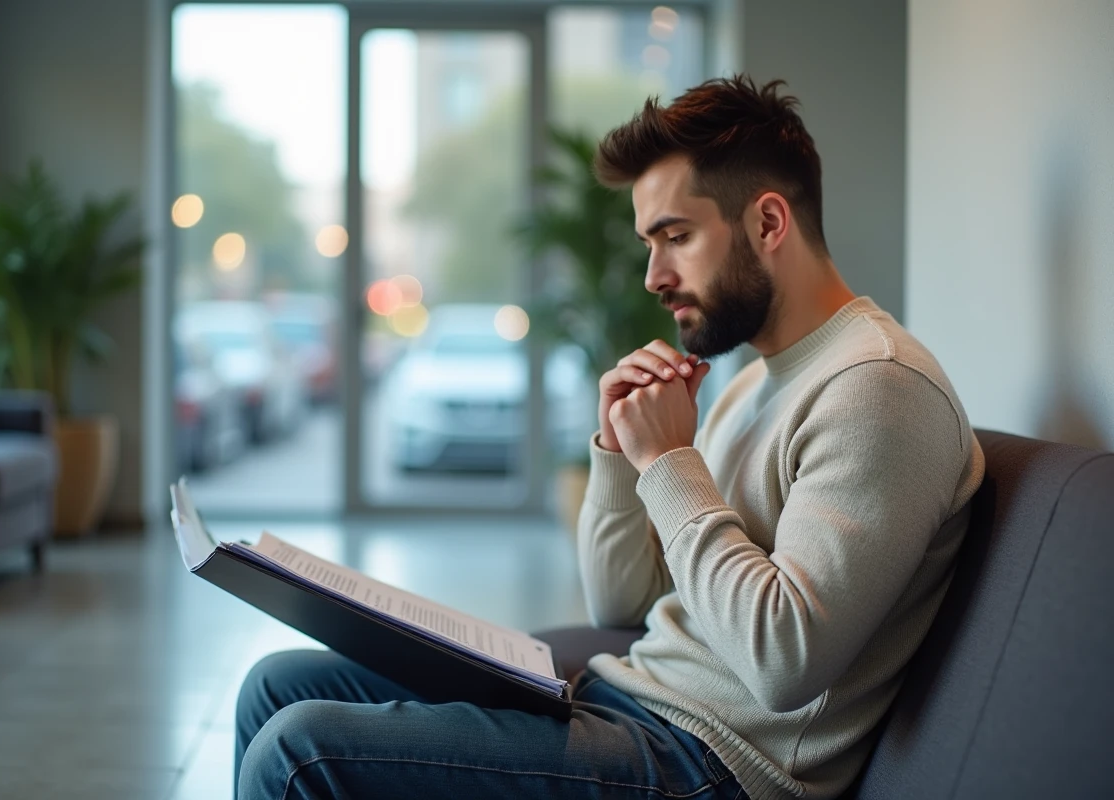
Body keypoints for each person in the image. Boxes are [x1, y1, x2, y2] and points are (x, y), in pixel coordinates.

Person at [234, 75, 984, 800]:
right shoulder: (755, 380)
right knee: (275, 686)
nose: (653, 276)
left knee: (298, 752)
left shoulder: (878, 388)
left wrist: (669, 460)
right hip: (632, 701)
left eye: (676, 237)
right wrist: (620, 455)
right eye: (649, 243)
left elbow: (784, 660)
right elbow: (622, 605)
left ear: (767, 223)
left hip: (712, 761)